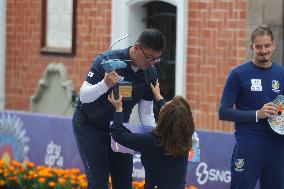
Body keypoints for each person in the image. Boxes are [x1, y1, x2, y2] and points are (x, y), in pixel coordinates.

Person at [72, 28, 166, 189]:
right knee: (98, 183)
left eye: (156, 59)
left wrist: (151, 140)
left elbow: (145, 112)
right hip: (89, 126)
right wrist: (104, 85)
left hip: (119, 129)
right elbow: (84, 97)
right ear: (137, 47)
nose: (150, 62)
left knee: (123, 183)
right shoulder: (106, 61)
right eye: (148, 57)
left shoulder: (150, 73)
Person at [219, 25, 284, 189]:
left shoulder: (281, 73)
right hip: (249, 146)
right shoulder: (238, 74)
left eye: (267, 46)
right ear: (251, 47)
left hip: (277, 147)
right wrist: (257, 114)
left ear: (274, 45)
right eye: (259, 46)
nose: (263, 50)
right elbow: (224, 112)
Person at [108, 80, 195, 189]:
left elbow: (118, 134)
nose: (166, 102)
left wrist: (118, 109)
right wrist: (158, 97)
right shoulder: (186, 138)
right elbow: (175, 118)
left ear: (163, 118)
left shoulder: (152, 141)